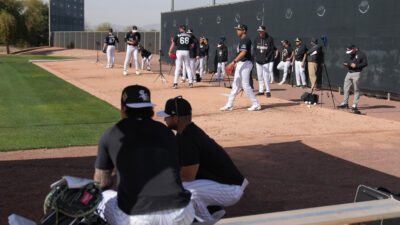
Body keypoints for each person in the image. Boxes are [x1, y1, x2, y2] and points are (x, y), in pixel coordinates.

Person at [94, 85, 195, 225]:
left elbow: (101, 183)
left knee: (102, 197)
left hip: (138, 219)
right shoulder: (167, 133)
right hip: (181, 213)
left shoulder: (111, 134)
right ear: (150, 109)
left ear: (124, 109)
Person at [157, 96, 248, 222]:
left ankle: (207, 221)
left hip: (231, 189)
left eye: (167, 116)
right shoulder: (184, 134)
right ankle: (215, 211)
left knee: (182, 190)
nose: (164, 119)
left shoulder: (189, 138)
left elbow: (188, 176)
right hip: (225, 185)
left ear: (176, 118)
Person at [220, 24, 261, 111]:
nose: (237, 31)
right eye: (237, 29)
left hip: (246, 63)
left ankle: (256, 104)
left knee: (245, 85)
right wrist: (236, 64)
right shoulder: (243, 40)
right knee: (235, 84)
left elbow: (243, 53)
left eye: (239, 29)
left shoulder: (246, 40)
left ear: (244, 31)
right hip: (242, 63)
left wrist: (233, 62)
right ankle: (229, 104)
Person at [337, 44, 368, 114]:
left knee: (356, 89)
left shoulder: (362, 54)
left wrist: (356, 65)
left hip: (356, 73)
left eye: (350, 51)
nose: (350, 53)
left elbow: (365, 63)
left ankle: (354, 105)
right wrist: (346, 64)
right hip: (349, 73)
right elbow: (347, 61)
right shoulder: (351, 54)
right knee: (346, 88)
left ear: (354, 49)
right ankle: (345, 104)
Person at [253, 26, 278, 97]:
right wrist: (255, 56)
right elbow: (254, 48)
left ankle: (268, 91)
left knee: (266, 76)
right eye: (259, 31)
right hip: (258, 61)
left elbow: (271, 49)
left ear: (265, 31)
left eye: (261, 31)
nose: (260, 32)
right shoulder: (256, 39)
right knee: (260, 76)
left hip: (265, 61)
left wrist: (267, 57)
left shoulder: (270, 39)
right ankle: (261, 90)